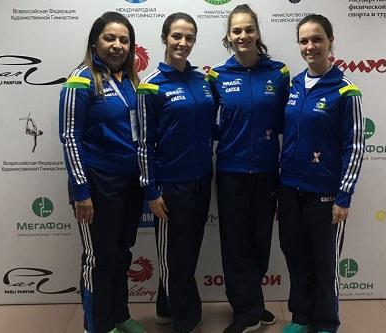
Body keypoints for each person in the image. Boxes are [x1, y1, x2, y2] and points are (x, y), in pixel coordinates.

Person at [59, 11, 145, 333]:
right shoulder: (81, 79)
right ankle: (97, 325)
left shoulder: (133, 82)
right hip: (96, 184)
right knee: (99, 258)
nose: (117, 45)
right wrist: (81, 191)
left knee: (122, 253)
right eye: (110, 38)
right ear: (96, 41)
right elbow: (70, 136)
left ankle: (120, 316)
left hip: (130, 184)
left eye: (124, 40)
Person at [278, 14, 364, 333]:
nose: (310, 46)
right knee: (296, 257)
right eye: (304, 40)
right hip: (290, 189)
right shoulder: (295, 84)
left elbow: (354, 147)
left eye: (317, 39)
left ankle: (326, 321)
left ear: (331, 41)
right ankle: (301, 317)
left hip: (326, 194)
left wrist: (344, 196)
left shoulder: (345, 91)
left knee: (324, 263)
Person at [207, 4, 290, 333]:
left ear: (258, 33)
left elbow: (291, 119)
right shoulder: (217, 75)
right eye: (237, 30)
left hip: (268, 172)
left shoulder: (279, 73)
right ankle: (245, 311)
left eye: (249, 29)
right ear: (229, 36)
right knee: (235, 243)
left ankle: (252, 302)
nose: (243, 35)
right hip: (231, 172)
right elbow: (205, 121)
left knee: (260, 241)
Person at [136, 12, 216, 333]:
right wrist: (152, 191)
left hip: (201, 180)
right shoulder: (151, 85)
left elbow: (212, 127)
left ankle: (165, 309)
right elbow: (142, 142)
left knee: (188, 251)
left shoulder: (202, 80)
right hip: (171, 186)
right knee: (174, 257)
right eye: (177, 37)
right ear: (165, 38)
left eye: (189, 38)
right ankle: (185, 321)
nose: (183, 43)